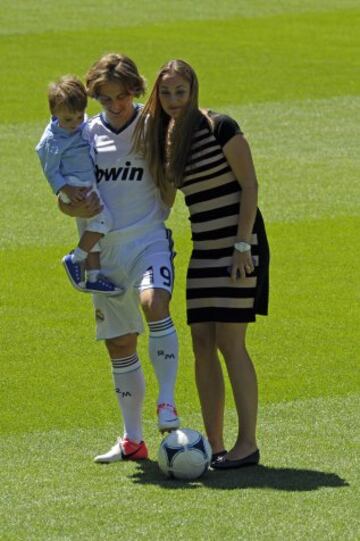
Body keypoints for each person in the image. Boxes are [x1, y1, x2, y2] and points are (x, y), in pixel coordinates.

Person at [133, 59, 270, 469]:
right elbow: (168, 198)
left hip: (239, 249)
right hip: (204, 249)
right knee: (202, 345)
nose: (174, 100)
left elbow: (250, 185)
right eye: (166, 93)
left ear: (193, 91)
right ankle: (216, 444)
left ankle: (248, 444)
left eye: (181, 91)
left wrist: (243, 244)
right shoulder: (168, 137)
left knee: (231, 343)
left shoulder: (220, 126)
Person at [58, 54, 180, 463]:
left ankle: (166, 403)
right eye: (106, 99)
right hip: (104, 255)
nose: (115, 105)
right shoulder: (85, 134)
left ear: (135, 90)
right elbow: (66, 191)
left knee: (154, 302)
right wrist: (68, 206)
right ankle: (132, 440)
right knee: (119, 344)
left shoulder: (152, 124)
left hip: (147, 240)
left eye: (122, 96)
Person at [36, 75, 122, 295]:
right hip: (75, 186)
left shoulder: (81, 125)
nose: (74, 124)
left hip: (85, 182)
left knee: (88, 231)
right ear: (53, 113)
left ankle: (93, 277)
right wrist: (65, 190)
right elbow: (50, 170)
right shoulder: (52, 140)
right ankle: (75, 259)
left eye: (78, 117)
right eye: (67, 120)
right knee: (104, 220)